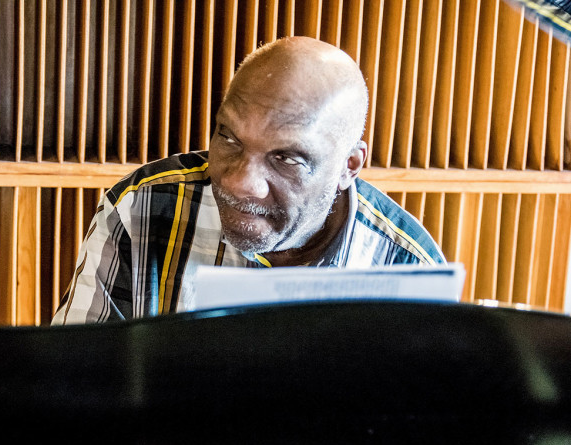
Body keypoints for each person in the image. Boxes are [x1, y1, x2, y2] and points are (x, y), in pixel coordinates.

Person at [52, 36, 445, 325]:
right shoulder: (141, 209)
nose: (242, 182)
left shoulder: (406, 266)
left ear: (349, 166)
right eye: (229, 138)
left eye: (287, 158)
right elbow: (79, 393)